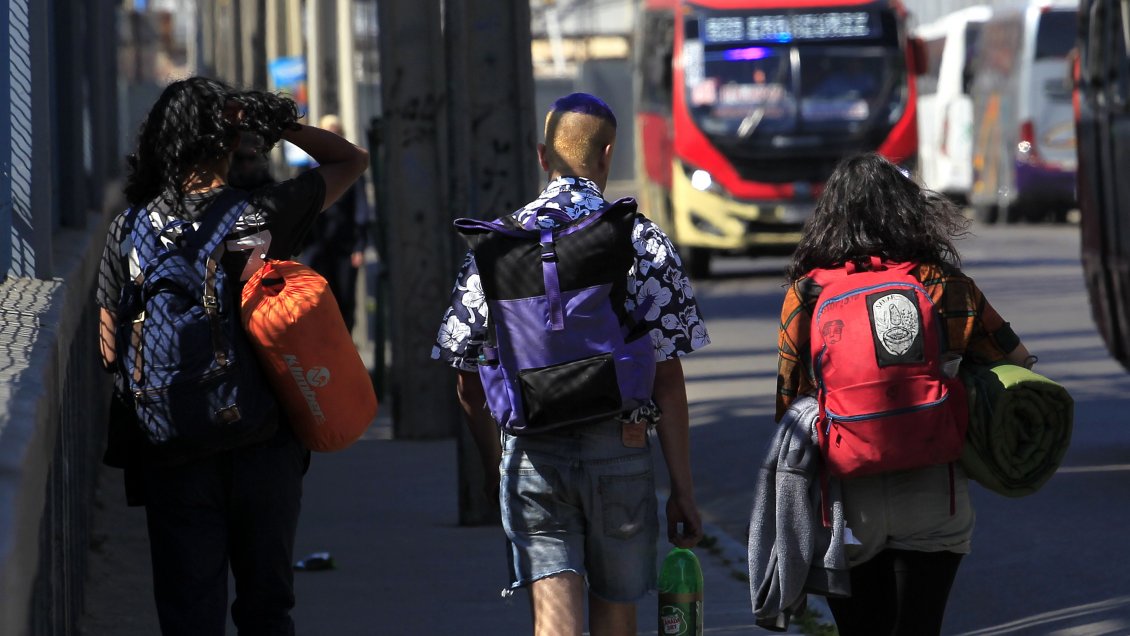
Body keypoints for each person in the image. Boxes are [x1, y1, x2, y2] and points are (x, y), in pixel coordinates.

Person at [95, 76, 369, 636]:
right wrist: (277, 121)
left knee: (189, 613)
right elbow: (351, 160)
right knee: (266, 609)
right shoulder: (261, 213)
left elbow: (108, 348)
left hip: (171, 450)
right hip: (261, 443)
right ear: (228, 142)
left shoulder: (129, 229)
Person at [432, 92, 710, 636]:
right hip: (620, 452)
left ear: (543, 156)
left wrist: (495, 469)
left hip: (533, 455)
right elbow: (668, 377)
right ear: (607, 154)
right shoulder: (639, 237)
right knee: (616, 612)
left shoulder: (497, 244)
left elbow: (465, 377)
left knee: (554, 620)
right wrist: (682, 488)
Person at [774, 152, 1034, 636]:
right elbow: (1016, 361)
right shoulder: (945, 285)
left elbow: (790, 402)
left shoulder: (806, 295)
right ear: (908, 211)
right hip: (936, 490)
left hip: (848, 497)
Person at [301, 113, 373, 334]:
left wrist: (359, 246)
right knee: (319, 300)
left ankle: (345, 345)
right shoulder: (307, 171)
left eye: (336, 133)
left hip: (344, 248)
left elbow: (361, 210)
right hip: (316, 248)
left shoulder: (352, 172)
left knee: (344, 300)